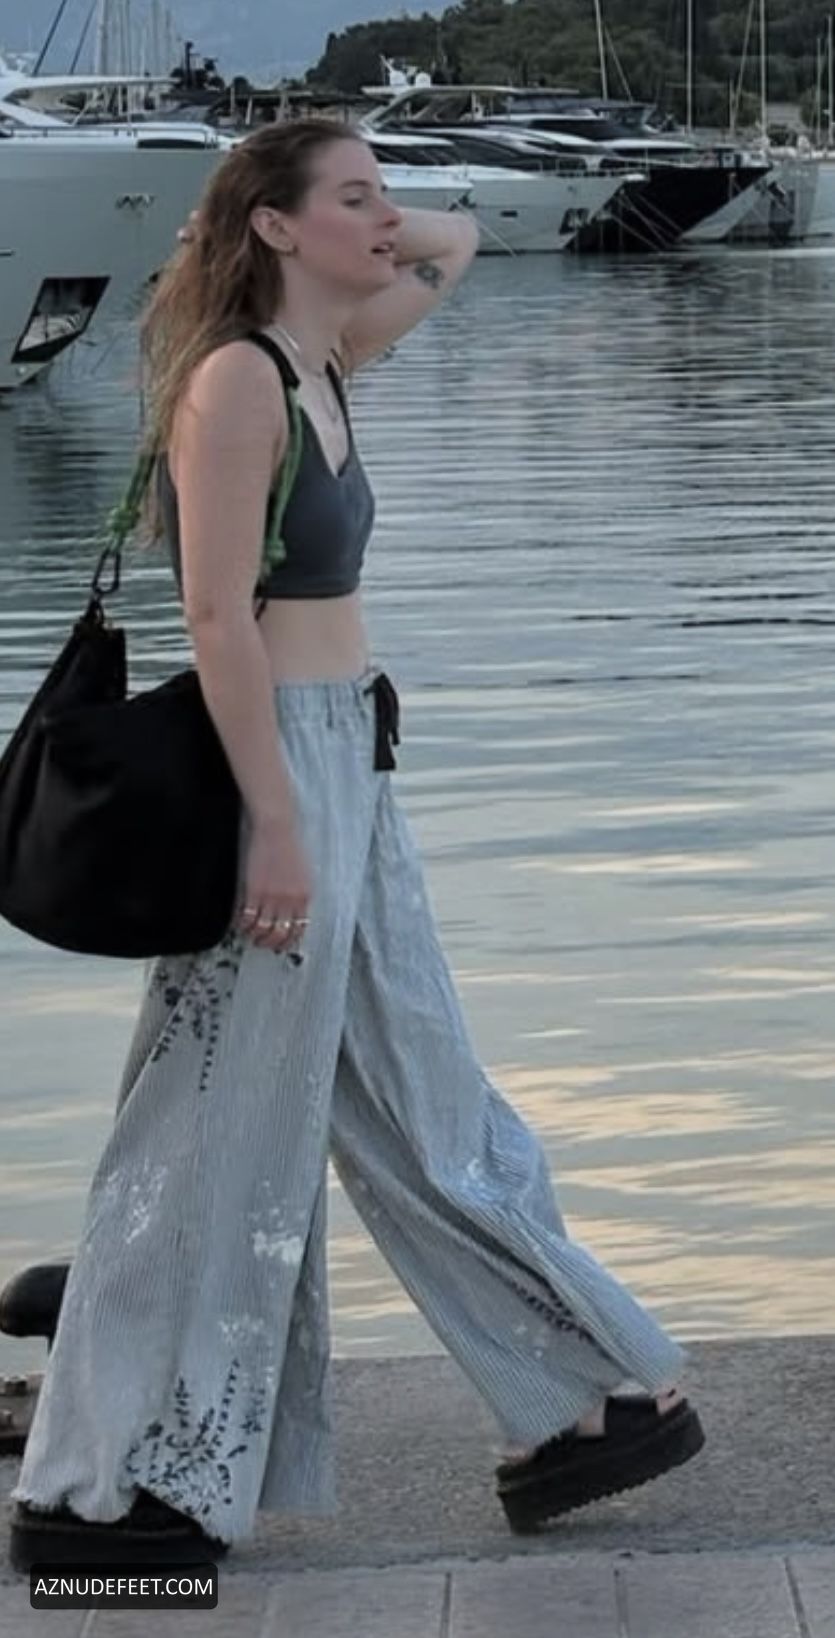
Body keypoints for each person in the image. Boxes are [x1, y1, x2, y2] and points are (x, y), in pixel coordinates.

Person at [7, 118, 704, 1571]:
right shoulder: (234, 384)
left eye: (384, 193)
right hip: (268, 767)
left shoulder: (323, 358)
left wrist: (363, 209)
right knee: (215, 1127)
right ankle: (110, 1477)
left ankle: (580, 1397)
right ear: (275, 226)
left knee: (424, 1098)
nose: (390, 218)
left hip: (348, 760)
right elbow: (215, 618)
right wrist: (275, 822)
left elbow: (456, 243)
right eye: (353, 197)